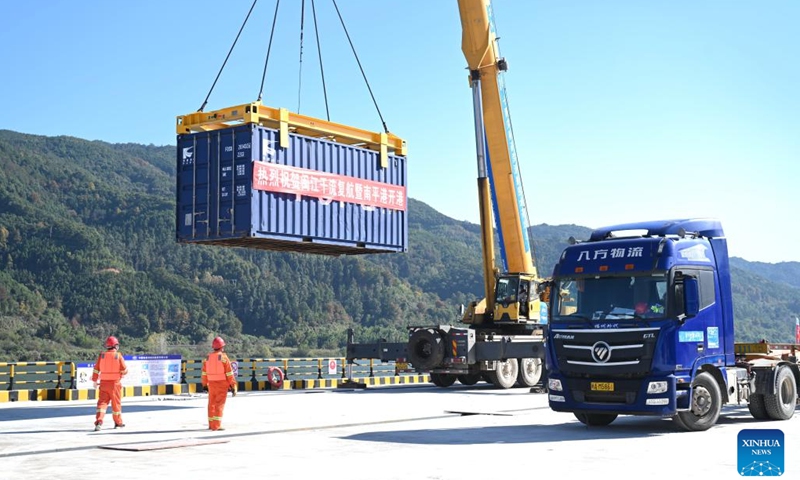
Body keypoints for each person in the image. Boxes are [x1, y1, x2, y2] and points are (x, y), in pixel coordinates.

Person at [92, 335, 128, 431]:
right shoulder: (118, 355)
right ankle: (118, 422)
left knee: (102, 403)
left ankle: (99, 421)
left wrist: (95, 380)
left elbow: (96, 370)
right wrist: (122, 373)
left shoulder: (102, 355)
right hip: (115, 384)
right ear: (115, 345)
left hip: (103, 384)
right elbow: (124, 369)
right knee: (116, 404)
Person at [201, 336, 237, 431]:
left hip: (211, 385)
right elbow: (229, 373)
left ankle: (211, 424)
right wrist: (233, 386)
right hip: (222, 385)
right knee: (219, 404)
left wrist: (204, 385)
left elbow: (204, 373)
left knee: (211, 404)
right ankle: (216, 425)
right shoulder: (224, 358)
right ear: (222, 347)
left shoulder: (208, 358)